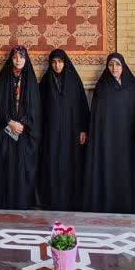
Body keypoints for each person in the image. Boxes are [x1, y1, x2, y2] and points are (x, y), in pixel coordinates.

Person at [79, 52, 135, 213]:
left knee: (125, 171)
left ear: (123, 66)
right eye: (111, 65)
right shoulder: (102, 87)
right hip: (107, 139)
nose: (114, 68)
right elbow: (96, 116)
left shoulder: (132, 87)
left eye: (117, 65)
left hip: (127, 138)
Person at [0, 46, 41, 210]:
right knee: (8, 165)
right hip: (7, 130)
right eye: (15, 57)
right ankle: (8, 202)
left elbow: (35, 107)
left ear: (26, 59)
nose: (18, 60)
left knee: (24, 166)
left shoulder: (30, 79)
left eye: (21, 57)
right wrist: (9, 122)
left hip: (25, 131)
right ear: (11, 59)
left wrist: (23, 123)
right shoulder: (4, 78)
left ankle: (23, 202)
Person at [38, 49, 88, 211]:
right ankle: (52, 201)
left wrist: (83, 129)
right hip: (51, 132)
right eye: (53, 62)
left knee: (70, 163)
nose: (57, 65)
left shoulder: (74, 81)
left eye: (60, 62)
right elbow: (39, 109)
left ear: (65, 63)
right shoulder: (45, 82)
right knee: (52, 163)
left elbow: (82, 105)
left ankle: (71, 201)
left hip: (71, 131)